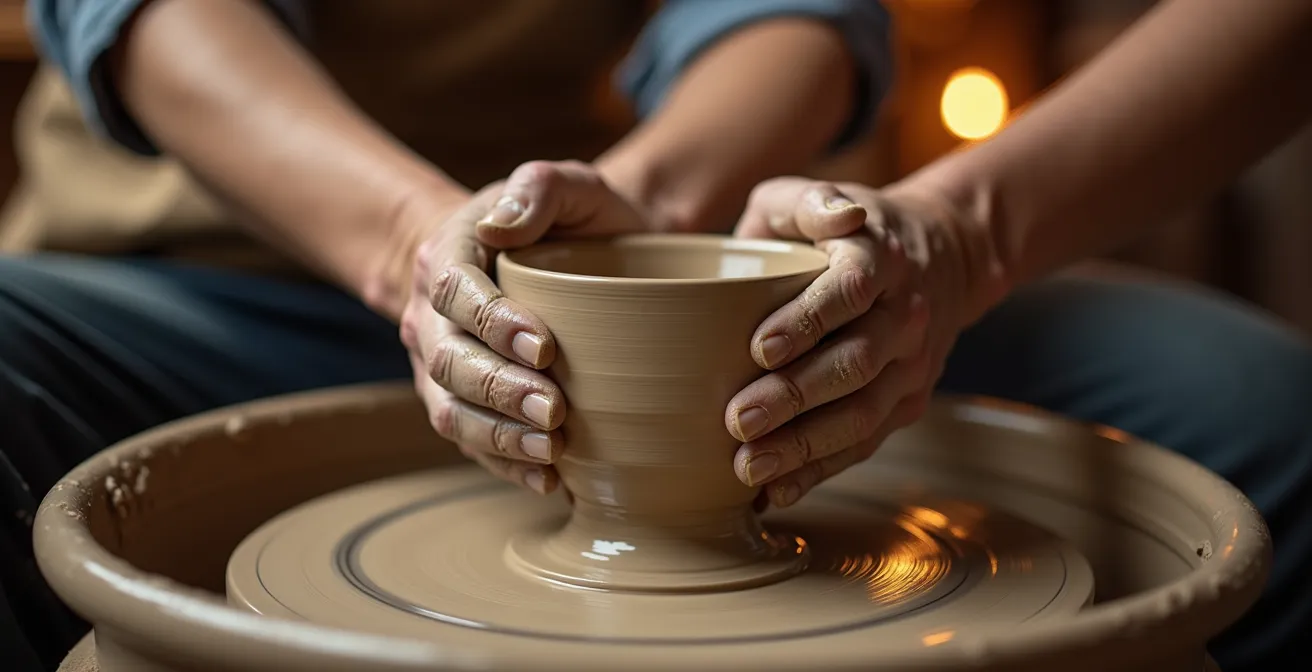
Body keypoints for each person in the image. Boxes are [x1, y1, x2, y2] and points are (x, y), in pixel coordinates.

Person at [410, 2, 1312, 671]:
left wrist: (958, 237)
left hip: (735, 271)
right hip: (302, 280)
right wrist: (414, 245)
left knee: (1271, 419)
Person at [2, 1, 893, 669]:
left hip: (605, 286)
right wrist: (405, 237)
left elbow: (786, 10)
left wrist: (647, 209)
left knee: (958, 346)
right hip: (188, 290)